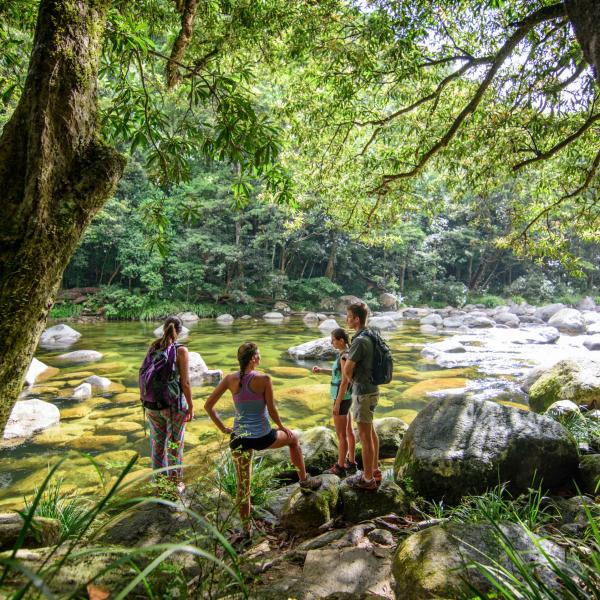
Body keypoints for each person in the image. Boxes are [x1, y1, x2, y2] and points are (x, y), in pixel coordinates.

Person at [204, 342, 321, 536]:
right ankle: (304, 481)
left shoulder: (229, 379)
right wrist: (283, 427)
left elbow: (208, 406)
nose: (260, 357)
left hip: (239, 438)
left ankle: (246, 530)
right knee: (294, 440)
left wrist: (223, 428)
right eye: (258, 355)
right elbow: (273, 411)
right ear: (252, 359)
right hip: (263, 437)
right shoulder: (264, 379)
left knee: (243, 485)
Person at [144, 316, 193, 493]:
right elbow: (185, 383)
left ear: (163, 328)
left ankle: (159, 484)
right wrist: (191, 406)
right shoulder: (181, 351)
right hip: (172, 405)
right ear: (179, 332)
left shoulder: (154, 346)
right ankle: (176, 483)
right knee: (175, 443)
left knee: (157, 444)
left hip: (151, 404)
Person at [344, 303, 381, 490]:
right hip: (374, 389)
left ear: (357, 319)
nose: (346, 319)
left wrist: (351, 383)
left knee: (365, 437)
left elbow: (348, 369)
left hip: (363, 392)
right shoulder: (372, 335)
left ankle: (367, 480)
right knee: (371, 431)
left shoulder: (359, 341)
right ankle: (374, 470)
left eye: (349, 316)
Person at [312, 327, 357, 476]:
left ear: (341, 340)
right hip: (347, 397)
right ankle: (351, 462)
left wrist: (337, 403)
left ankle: (340, 467)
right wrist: (321, 370)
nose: (332, 343)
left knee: (341, 435)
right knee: (349, 431)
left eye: (333, 340)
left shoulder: (344, 356)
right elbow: (337, 374)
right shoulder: (347, 354)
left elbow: (344, 381)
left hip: (341, 398)